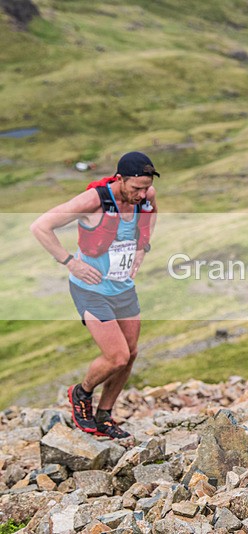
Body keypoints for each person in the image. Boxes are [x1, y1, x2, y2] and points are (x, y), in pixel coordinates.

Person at [30, 152, 158, 439]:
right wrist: (70, 262)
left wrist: (142, 247)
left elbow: (151, 215)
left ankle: (104, 416)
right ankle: (81, 393)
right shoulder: (94, 201)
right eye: (135, 188)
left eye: (145, 187)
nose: (141, 194)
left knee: (131, 354)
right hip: (90, 289)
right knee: (116, 356)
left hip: (123, 287)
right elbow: (40, 226)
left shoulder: (146, 195)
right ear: (120, 178)